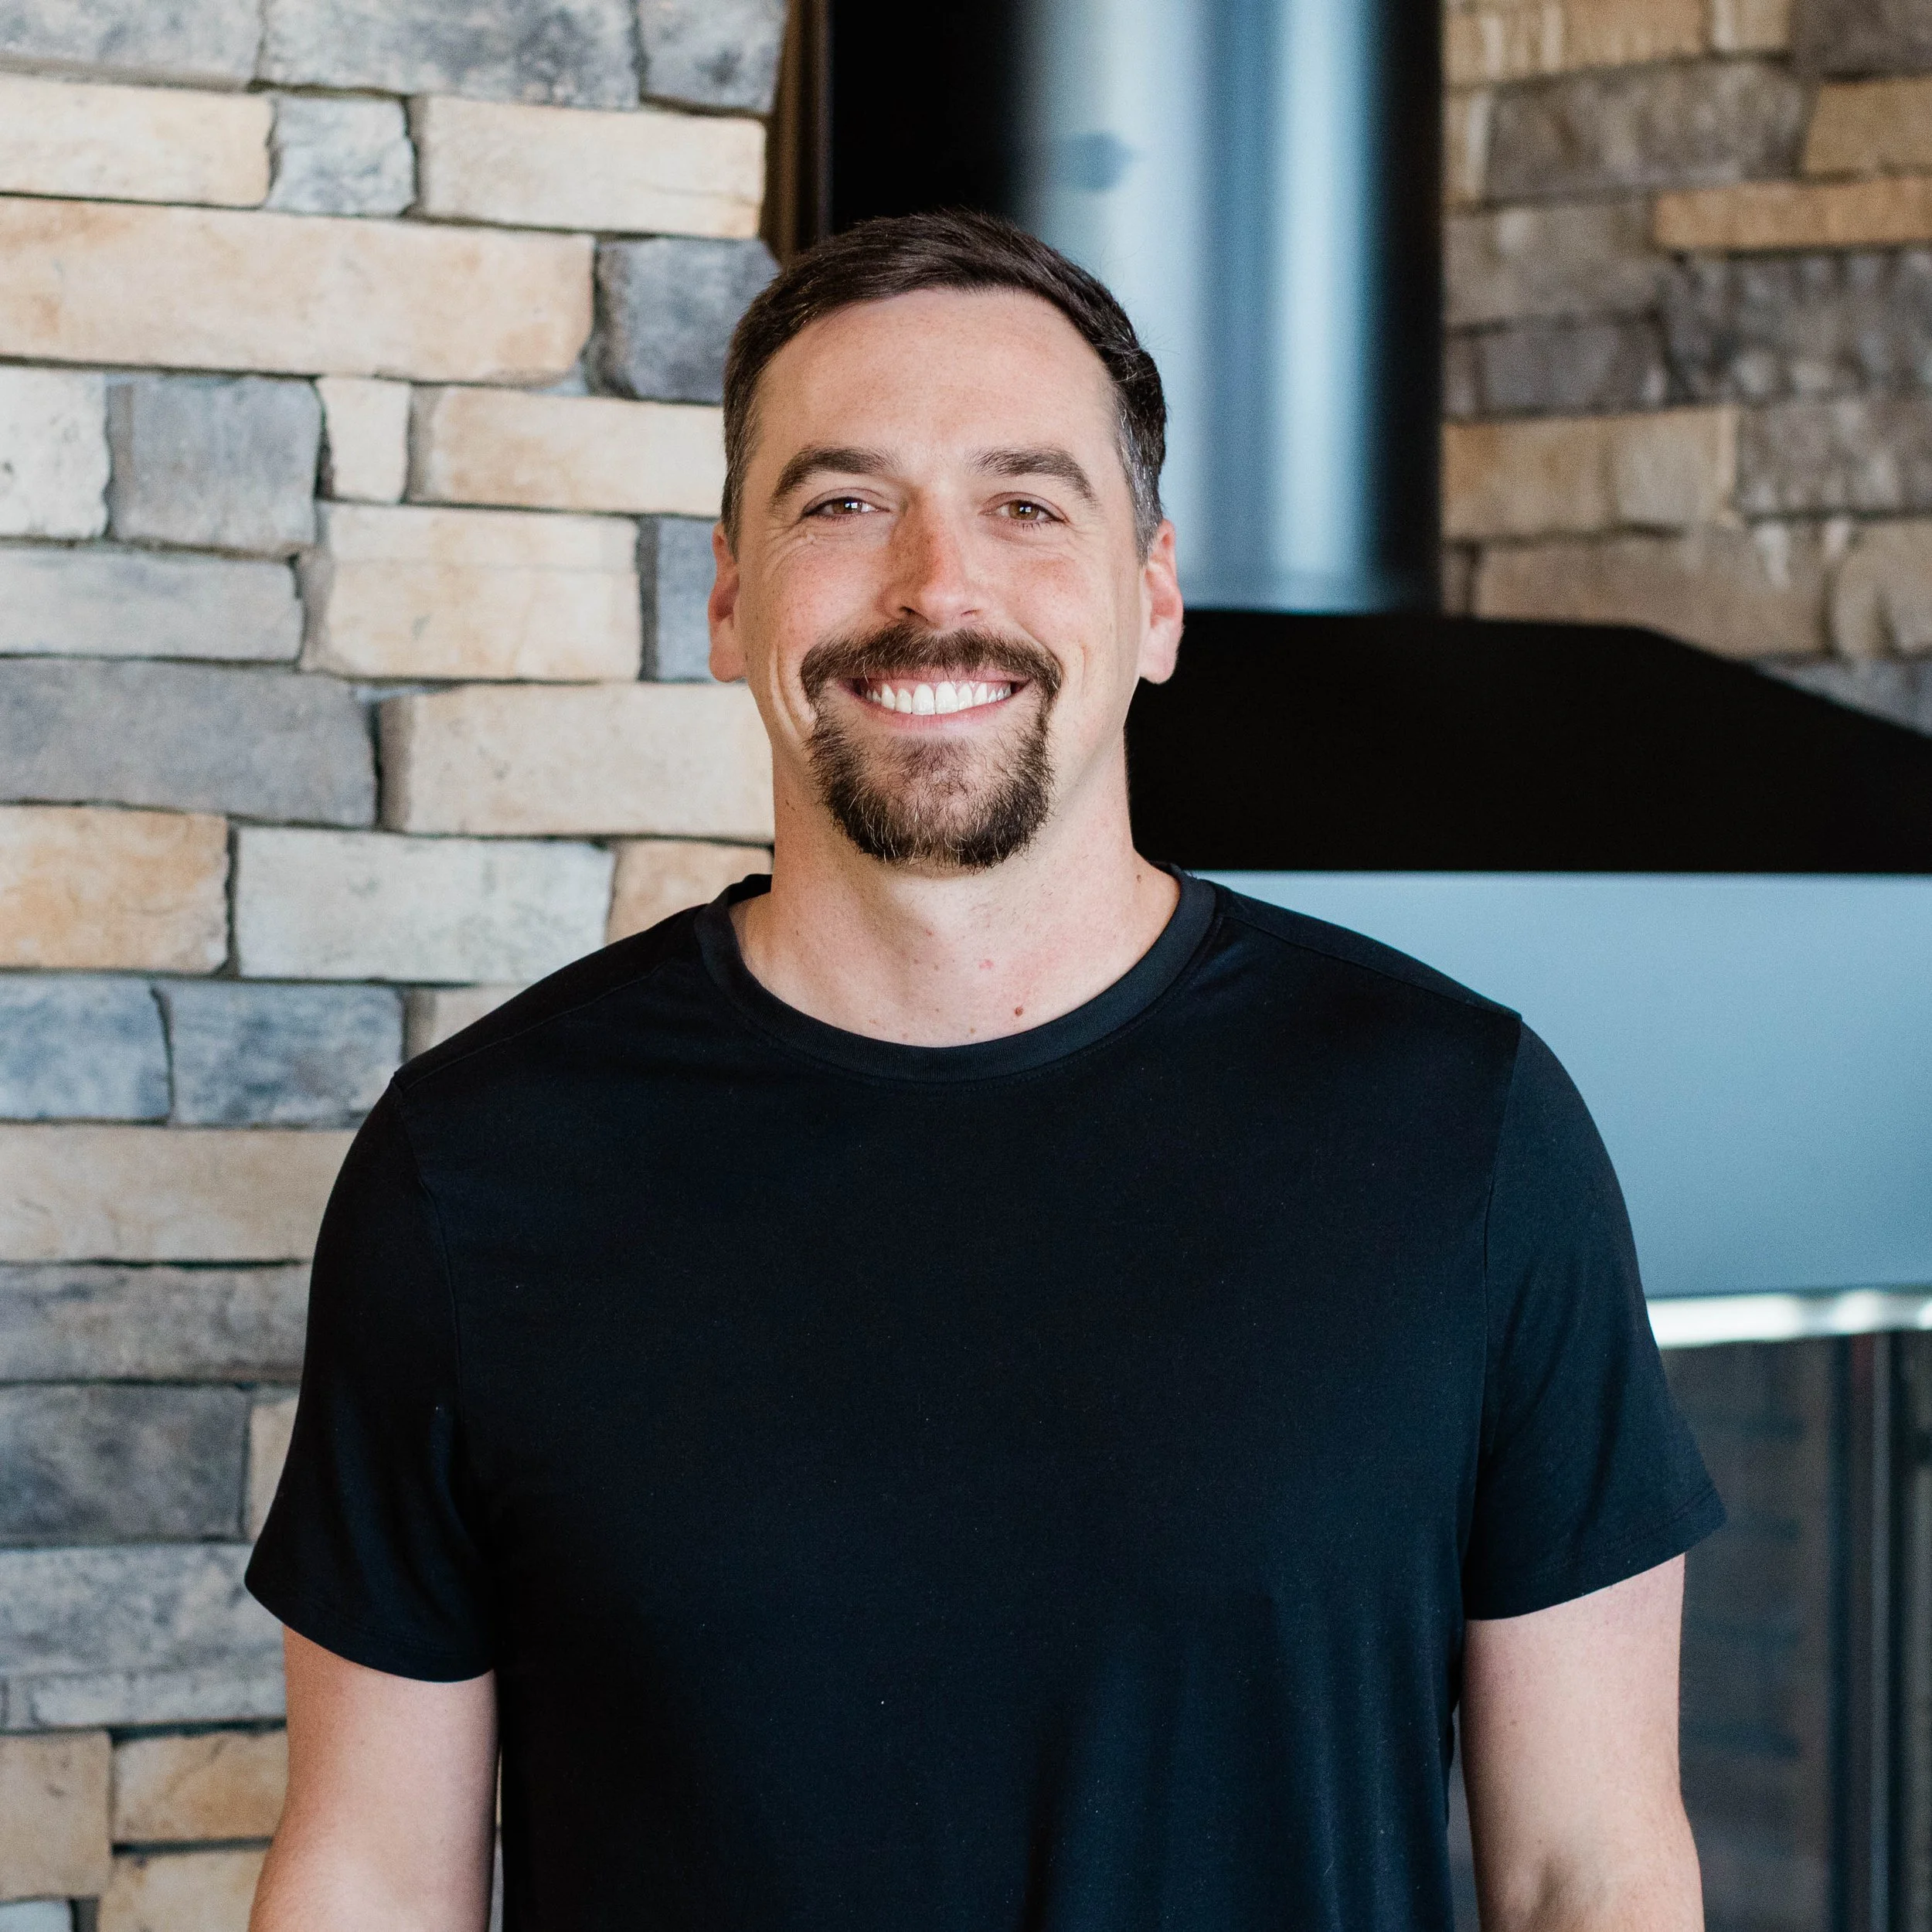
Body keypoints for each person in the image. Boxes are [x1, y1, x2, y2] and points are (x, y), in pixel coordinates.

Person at [247, 210, 1722, 1932]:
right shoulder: (473, 1165)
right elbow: (366, 1875)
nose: (933, 585)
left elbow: (1589, 1870)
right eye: (842, 501)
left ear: (1151, 596)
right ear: (726, 595)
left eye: (1025, 504)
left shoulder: (1460, 1130)